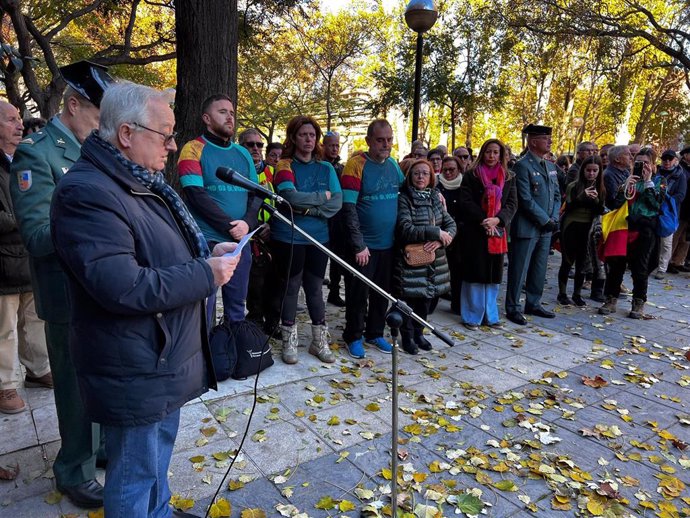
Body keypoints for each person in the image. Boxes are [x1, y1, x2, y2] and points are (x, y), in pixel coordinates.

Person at [50, 81, 239, 518]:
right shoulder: (88, 192)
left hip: (160, 355)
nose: (173, 145)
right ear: (126, 134)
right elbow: (123, 285)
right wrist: (204, 275)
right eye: (165, 134)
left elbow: (156, 248)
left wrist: (206, 253)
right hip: (132, 361)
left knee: (156, 457)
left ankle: (160, 512)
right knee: (134, 471)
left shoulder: (137, 180)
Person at [10, 60, 113, 509]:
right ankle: (73, 469)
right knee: (74, 388)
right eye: (97, 115)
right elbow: (35, 234)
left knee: (101, 378)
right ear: (73, 105)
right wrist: (96, 222)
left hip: (100, 288)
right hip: (67, 294)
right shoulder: (37, 153)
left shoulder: (91, 149)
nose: (103, 127)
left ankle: (99, 447)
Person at [177, 94, 261, 326]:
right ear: (206, 118)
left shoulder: (243, 153)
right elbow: (195, 194)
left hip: (241, 241)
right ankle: (205, 358)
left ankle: (233, 354)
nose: (229, 117)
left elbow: (257, 194)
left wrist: (247, 223)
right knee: (205, 308)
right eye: (222, 112)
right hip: (206, 240)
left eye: (232, 113)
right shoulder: (192, 149)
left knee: (236, 308)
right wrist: (229, 226)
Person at [271, 115, 342, 364]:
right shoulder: (284, 165)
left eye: (313, 135)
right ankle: (289, 339)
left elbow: (337, 201)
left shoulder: (326, 168)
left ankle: (318, 340)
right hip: (289, 236)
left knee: (314, 289)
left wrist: (309, 208)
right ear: (293, 137)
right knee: (291, 287)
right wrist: (320, 197)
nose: (309, 139)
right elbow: (290, 197)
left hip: (318, 238)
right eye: (303, 134)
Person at [0, 101, 51, 414]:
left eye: (19, 119)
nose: (20, 125)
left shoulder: (24, 159)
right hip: (2, 263)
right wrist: (26, 216)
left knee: (33, 320)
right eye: (10, 120)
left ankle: (38, 370)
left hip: (29, 256)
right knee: (3, 328)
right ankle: (5, 386)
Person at [340, 120, 403, 359]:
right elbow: (348, 208)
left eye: (389, 139)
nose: (385, 144)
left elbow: (407, 191)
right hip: (364, 246)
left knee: (382, 293)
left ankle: (375, 333)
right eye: (380, 140)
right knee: (358, 294)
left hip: (388, 244)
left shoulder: (394, 165)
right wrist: (359, 244)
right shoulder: (355, 165)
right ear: (368, 141)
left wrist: (435, 194)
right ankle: (353, 336)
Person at [394, 159, 456, 354]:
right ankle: (407, 335)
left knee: (426, 300)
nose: (421, 177)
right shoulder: (404, 198)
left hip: (434, 260)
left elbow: (451, 226)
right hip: (412, 261)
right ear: (410, 176)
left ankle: (419, 333)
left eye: (425, 173)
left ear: (431, 177)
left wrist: (440, 241)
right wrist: (435, 232)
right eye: (416, 173)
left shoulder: (435, 197)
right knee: (409, 300)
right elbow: (406, 228)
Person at [457, 139, 517, 329]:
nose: (491, 156)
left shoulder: (509, 177)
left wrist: (497, 220)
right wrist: (485, 220)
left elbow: (512, 204)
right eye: (488, 152)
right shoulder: (471, 176)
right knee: (474, 274)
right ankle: (472, 316)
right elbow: (465, 202)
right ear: (482, 153)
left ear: (501, 155)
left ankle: (491, 316)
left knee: (493, 275)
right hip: (475, 231)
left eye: (495, 152)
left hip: (497, 232)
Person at [505, 124, 561, 325]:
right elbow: (525, 199)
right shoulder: (522, 165)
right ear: (533, 141)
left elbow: (556, 195)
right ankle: (513, 306)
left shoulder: (551, 166)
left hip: (546, 227)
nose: (550, 141)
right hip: (528, 227)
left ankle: (534, 302)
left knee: (539, 267)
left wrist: (553, 218)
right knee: (519, 269)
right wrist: (545, 220)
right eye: (546, 138)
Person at [599, 147, 662, 319]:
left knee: (639, 268)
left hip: (645, 230)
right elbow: (616, 204)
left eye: (646, 163)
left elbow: (656, 205)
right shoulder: (629, 180)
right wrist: (625, 187)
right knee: (616, 266)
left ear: (653, 164)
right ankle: (611, 299)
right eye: (639, 162)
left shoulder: (658, 181)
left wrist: (648, 182)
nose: (643, 166)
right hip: (624, 228)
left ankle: (638, 302)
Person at [557, 155, 606, 306]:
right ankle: (562, 293)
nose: (591, 173)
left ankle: (577, 294)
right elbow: (568, 206)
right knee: (567, 261)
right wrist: (582, 196)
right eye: (588, 170)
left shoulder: (601, 188)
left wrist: (596, 199)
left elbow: (599, 210)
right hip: (571, 226)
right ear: (583, 170)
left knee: (582, 263)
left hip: (588, 228)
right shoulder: (574, 185)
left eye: (594, 171)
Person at [322, 130, 347, 307]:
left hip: (338, 219)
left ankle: (334, 291)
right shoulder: (319, 166)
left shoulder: (341, 168)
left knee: (337, 257)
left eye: (337, 145)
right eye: (331, 145)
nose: (334, 148)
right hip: (322, 217)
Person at [437, 155, 464, 314]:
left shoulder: (465, 184)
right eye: (444, 170)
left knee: (458, 270)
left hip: (460, 234)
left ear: (459, 169)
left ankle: (457, 303)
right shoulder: (436, 186)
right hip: (440, 234)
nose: (447, 173)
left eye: (451, 170)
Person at [654, 149, 686, 279]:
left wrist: (666, 199)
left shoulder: (680, 175)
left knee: (666, 242)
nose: (667, 161)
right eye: (664, 159)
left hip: (670, 212)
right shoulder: (656, 172)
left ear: (675, 160)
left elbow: (681, 195)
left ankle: (662, 268)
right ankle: (650, 264)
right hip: (653, 209)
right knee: (651, 239)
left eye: (670, 159)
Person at [669, 146, 690, 273]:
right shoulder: (680, 169)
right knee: (676, 235)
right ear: (686, 155)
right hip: (682, 206)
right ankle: (668, 260)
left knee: (685, 238)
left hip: (688, 209)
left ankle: (679, 261)